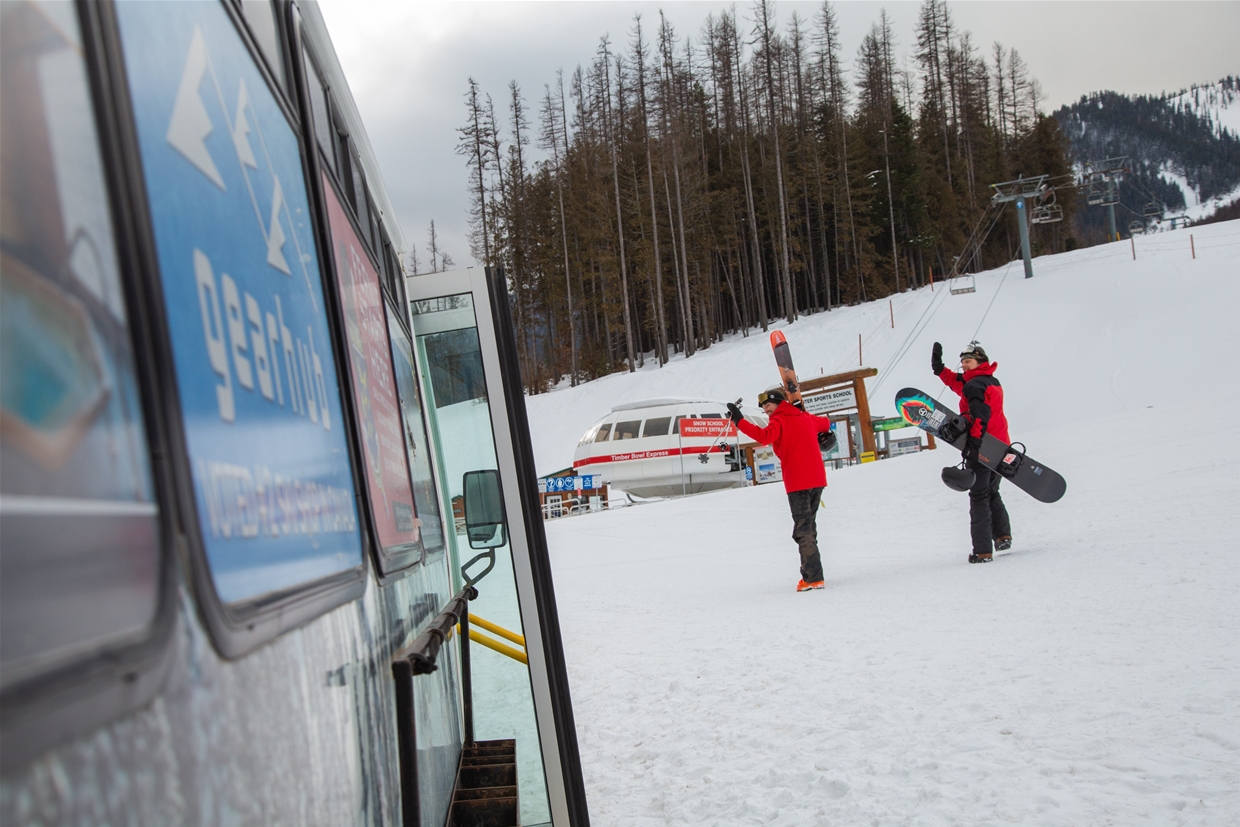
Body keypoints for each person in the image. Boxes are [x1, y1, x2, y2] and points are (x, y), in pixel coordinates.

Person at [727, 389, 835, 591]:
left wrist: (739, 421)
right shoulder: (804, 417)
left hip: (797, 481)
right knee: (809, 527)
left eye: (768, 405)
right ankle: (812, 571)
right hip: (817, 478)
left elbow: (763, 436)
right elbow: (825, 423)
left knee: (803, 530)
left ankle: (813, 578)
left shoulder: (779, 421)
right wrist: (802, 412)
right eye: (763, 407)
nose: (766, 410)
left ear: (778, 403)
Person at [932, 340, 1012, 563]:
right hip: (1001, 444)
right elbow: (958, 384)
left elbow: (979, 416)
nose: (964, 365)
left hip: (984, 445)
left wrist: (974, 446)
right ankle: (1003, 535)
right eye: (962, 362)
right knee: (992, 492)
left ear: (980, 362)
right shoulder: (989, 381)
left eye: (967, 361)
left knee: (978, 496)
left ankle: (983, 551)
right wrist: (940, 370)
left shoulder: (974, 385)